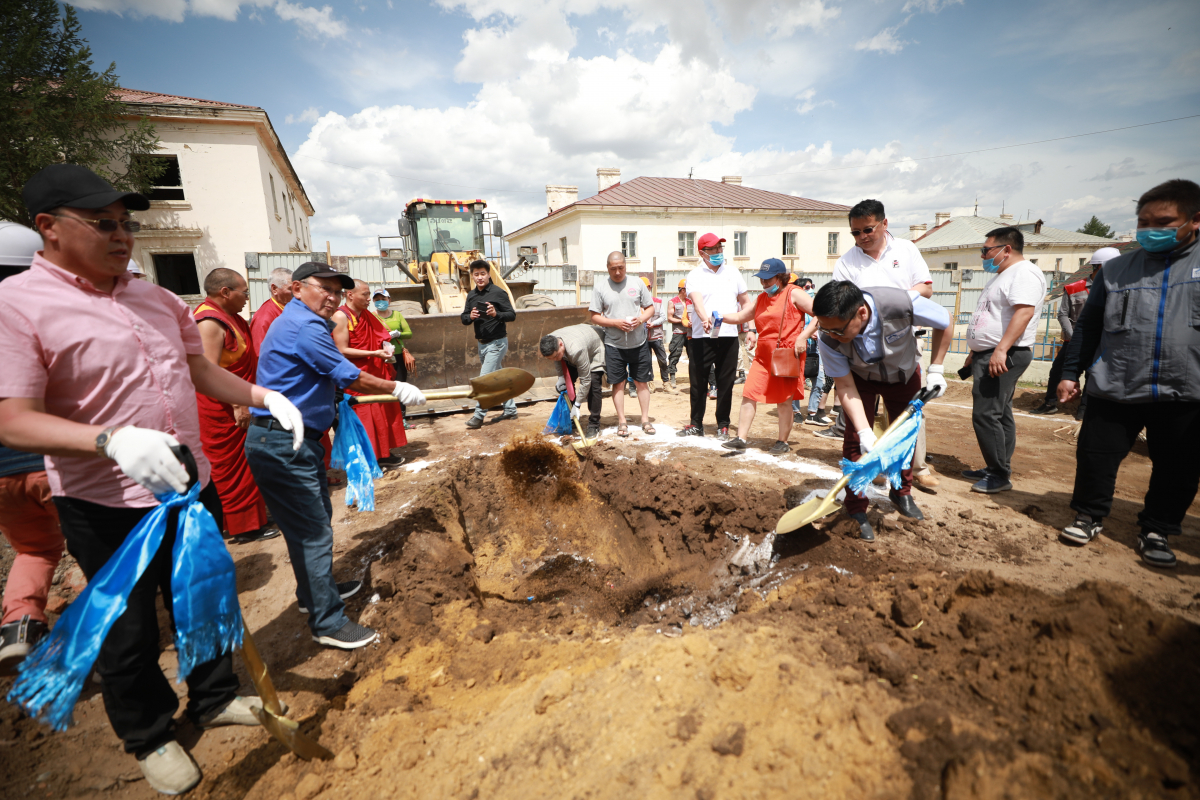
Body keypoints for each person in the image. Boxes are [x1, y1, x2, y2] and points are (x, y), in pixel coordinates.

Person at [0, 164, 305, 794]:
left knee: (204, 597)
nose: (122, 236)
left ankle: (215, 698)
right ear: (48, 229)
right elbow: (13, 420)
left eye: (126, 224)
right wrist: (107, 440)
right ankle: (150, 734)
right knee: (129, 626)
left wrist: (261, 395)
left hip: (190, 488)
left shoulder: (159, 299)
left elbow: (201, 374)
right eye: (103, 224)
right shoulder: (18, 306)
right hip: (105, 500)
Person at [248, 261, 425, 652]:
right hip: (282, 443)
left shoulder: (302, 320)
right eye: (323, 288)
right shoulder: (304, 326)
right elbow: (346, 372)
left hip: (290, 439)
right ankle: (326, 621)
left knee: (308, 526)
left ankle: (315, 593)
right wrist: (396, 386)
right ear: (296, 288)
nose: (332, 297)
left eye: (337, 291)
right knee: (313, 531)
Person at [1056, 179, 1200, 568]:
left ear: (1195, 220)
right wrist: (1071, 373)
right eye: (1143, 222)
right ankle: (1088, 515)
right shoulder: (1117, 270)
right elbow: (1087, 327)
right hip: (1116, 382)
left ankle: (1157, 529)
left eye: (1164, 221)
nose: (1150, 230)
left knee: (1178, 468)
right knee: (1095, 457)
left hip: (1185, 391)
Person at [813, 280, 952, 541]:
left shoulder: (898, 304)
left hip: (903, 374)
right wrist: (865, 431)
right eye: (825, 329)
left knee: (904, 437)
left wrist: (937, 369)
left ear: (861, 313)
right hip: (859, 379)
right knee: (855, 441)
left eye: (838, 330)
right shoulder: (827, 337)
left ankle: (901, 492)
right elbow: (844, 385)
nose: (831, 335)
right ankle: (855, 507)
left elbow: (945, 320)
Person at [822, 199, 939, 489]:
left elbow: (926, 288)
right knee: (859, 415)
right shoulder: (847, 262)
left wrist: (895, 304)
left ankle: (915, 468)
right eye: (856, 232)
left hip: (902, 339)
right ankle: (868, 464)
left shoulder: (906, 250)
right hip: (860, 344)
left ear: (884, 224)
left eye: (868, 230)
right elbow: (840, 305)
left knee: (908, 414)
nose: (862, 237)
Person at [0, 221, 63, 676]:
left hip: (2, 476)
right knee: (104, 555)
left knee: (35, 550)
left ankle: (20, 625)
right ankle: (108, 643)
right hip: (56, 464)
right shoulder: (41, 322)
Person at [959, 227, 1046, 494]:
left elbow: (1024, 313)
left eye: (987, 250)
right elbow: (994, 315)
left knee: (986, 414)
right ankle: (998, 466)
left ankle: (999, 474)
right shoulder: (1003, 274)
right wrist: (976, 350)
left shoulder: (1024, 273)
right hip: (991, 353)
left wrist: (1000, 350)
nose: (983, 255)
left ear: (1006, 249)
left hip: (1004, 354)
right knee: (1000, 412)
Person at [194, 267, 276, 544]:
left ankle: (255, 517)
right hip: (222, 409)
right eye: (244, 292)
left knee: (251, 462)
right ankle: (243, 527)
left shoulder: (231, 318)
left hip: (241, 401)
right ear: (225, 292)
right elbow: (207, 370)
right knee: (232, 468)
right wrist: (237, 404)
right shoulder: (208, 322)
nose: (247, 298)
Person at [719, 259, 814, 454]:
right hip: (763, 355)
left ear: (780, 278)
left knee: (784, 400)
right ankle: (741, 438)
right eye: (761, 280)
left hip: (786, 354)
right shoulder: (762, 298)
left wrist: (803, 336)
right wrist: (719, 318)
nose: (763, 284)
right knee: (749, 393)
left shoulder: (794, 293)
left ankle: (782, 441)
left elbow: (821, 313)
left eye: (767, 280)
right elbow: (740, 317)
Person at [1031, 246, 1120, 417]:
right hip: (1073, 341)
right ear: (1100, 267)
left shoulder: (1116, 289)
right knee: (1058, 370)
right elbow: (1063, 313)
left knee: (1093, 373)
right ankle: (1050, 403)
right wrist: (1073, 337)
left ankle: (1085, 408)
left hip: (1102, 341)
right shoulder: (1073, 288)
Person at [680, 233, 751, 439]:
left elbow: (746, 303)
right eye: (714, 249)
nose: (719, 252)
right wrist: (704, 318)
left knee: (725, 382)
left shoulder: (733, 272)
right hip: (703, 337)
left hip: (728, 336)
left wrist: (751, 329)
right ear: (703, 253)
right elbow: (697, 301)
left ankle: (723, 425)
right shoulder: (695, 275)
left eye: (721, 248)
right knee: (698, 382)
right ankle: (696, 424)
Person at [332, 280, 408, 466]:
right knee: (364, 416)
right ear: (350, 294)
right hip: (357, 376)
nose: (369, 299)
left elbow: (381, 336)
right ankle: (368, 458)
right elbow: (341, 350)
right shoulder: (341, 317)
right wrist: (373, 353)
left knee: (382, 413)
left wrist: (385, 349)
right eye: (365, 295)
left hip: (376, 371)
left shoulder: (366, 315)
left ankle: (383, 453)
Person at [589, 251, 656, 437]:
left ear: (626, 266)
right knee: (617, 384)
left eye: (621, 268)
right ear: (607, 268)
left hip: (639, 342)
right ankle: (622, 421)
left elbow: (650, 307)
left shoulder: (637, 283)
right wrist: (615, 323)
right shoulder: (600, 288)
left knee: (642, 382)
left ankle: (645, 420)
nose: (617, 272)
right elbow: (594, 316)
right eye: (613, 269)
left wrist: (640, 319)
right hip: (614, 345)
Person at [460, 259, 518, 429]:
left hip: (498, 343)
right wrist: (470, 317)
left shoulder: (499, 292)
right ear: (472, 276)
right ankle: (510, 409)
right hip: (482, 344)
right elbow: (463, 318)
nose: (479, 277)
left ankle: (478, 416)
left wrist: (496, 314)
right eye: (476, 274)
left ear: (488, 274)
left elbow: (512, 315)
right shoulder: (471, 295)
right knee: (498, 378)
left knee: (484, 379)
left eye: (482, 274)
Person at [539, 325, 606, 439]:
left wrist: (577, 405)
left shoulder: (576, 350)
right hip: (576, 347)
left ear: (560, 344)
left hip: (595, 348)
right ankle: (572, 418)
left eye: (555, 356)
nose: (554, 359)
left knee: (594, 383)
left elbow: (586, 380)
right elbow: (557, 360)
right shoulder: (552, 341)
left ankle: (594, 424)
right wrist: (561, 377)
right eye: (550, 358)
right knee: (566, 383)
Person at [372, 289, 416, 428]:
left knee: (400, 386)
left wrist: (398, 334)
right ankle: (386, 419)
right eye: (377, 299)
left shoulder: (397, 315)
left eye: (383, 299)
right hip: (381, 356)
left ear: (389, 300)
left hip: (397, 356)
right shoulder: (372, 316)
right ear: (373, 301)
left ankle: (402, 419)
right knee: (384, 387)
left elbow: (409, 333)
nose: (381, 302)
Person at [249, 267, 294, 352]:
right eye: (290, 289)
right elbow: (259, 354)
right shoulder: (264, 318)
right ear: (274, 289)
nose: (296, 292)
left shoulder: (292, 307)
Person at [642, 276, 670, 391]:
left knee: (662, 359)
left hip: (656, 336)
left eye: (644, 287)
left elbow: (664, 317)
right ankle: (650, 383)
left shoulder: (657, 302)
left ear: (649, 288)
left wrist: (653, 323)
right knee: (647, 361)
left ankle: (666, 383)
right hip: (643, 338)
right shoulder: (637, 304)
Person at [665, 279, 691, 391]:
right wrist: (682, 321)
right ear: (682, 289)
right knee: (675, 354)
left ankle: (694, 377)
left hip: (690, 332)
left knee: (693, 355)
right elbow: (669, 318)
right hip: (678, 332)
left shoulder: (691, 301)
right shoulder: (673, 302)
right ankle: (672, 377)